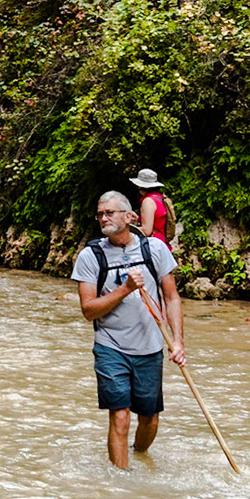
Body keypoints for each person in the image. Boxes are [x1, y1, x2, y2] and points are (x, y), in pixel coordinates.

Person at [73, 190, 183, 470]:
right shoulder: (91, 256)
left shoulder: (154, 249)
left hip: (150, 346)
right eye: (100, 214)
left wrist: (178, 342)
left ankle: (139, 455)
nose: (103, 219)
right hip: (111, 346)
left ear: (129, 216)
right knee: (120, 416)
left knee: (150, 419)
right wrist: (125, 289)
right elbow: (88, 310)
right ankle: (121, 482)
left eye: (109, 213)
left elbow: (171, 297)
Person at [128, 168, 174, 246]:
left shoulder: (148, 201)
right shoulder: (159, 197)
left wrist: (124, 229)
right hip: (161, 242)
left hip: (153, 245)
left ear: (140, 185)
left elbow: (146, 230)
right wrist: (137, 219)